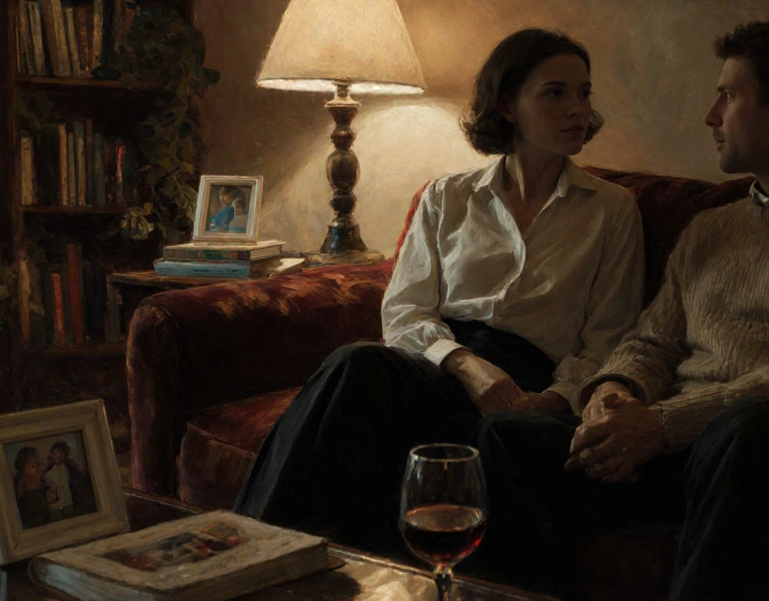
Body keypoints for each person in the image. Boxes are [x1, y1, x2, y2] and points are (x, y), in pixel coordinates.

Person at [474, 20, 769, 599]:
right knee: (507, 436)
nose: (710, 116)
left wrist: (666, 424)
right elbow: (651, 343)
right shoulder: (711, 228)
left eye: (727, 95)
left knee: (745, 430)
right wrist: (613, 396)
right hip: (690, 443)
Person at [233, 28, 646, 555]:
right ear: (507, 107)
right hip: (440, 366)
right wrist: (466, 365)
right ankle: (252, 556)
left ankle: (285, 559)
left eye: (584, 93)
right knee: (356, 365)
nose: (578, 109)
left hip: (530, 382)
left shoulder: (612, 209)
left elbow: (609, 339)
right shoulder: (448, 197)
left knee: (401, 437)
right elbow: (404, 312)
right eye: (555, 93)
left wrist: (548, 401)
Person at [44, 440, 95, 521]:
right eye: (55, 453)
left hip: (69, 503)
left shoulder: (71, 468)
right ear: (51, 454)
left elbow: (78, 484)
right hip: (55, 507)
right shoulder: (48, 472)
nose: (58, 456)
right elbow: (47, 489)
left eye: (61, 453)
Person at [13, 446, 50, 530]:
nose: (38, 458)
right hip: (30, 513)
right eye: (36, 456)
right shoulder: (23, 476)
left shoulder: (38, 470)